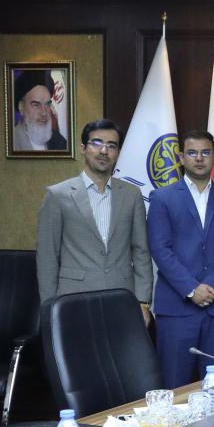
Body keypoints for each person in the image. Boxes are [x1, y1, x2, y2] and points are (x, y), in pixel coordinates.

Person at [146, 130, 214, 387]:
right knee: (174, 386)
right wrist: (192, 289)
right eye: (192, 153)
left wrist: (212, 285)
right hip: (176, 307)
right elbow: (160, 249)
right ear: (181, 157)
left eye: (205, 152)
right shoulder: (162, 198)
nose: (199, 158)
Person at [36, 119, 152, 324]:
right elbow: (47, 257)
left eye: (111, 146)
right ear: (83, 148)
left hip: (122, 298)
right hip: (72, 300)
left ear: (118, 153)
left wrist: (143, 301)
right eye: (97, 143)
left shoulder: (132, 195)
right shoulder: (57, 195)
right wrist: (49, 308)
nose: (104, 151)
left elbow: (141, 250)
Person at [12, 70, 67, 152]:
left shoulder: (59, 141)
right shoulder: (12, 142)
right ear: (21, 107)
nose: (44, 113)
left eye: (47, 104)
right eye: (36, 105)